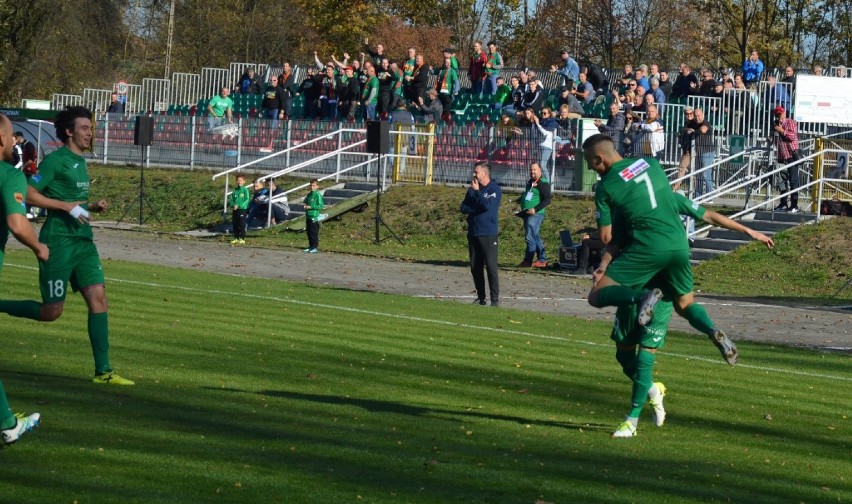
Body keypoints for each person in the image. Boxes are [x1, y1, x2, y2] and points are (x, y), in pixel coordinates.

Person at [581, 134, 774, 366]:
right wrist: (749, 232)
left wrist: (606, 245)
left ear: (598, 159)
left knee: (597, 296)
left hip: (645, 252)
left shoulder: (606, 188)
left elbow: (608, 238)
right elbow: (710, 215)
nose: (589, 166)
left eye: (588, 161)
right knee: (685, 305)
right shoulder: (653, 168)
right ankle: (712, 330)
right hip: (679, 249)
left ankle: (641, 299)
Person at [0, 106, 134, 384]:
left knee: (99, 299)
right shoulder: (57, 161)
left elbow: (72, 203)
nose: (90, 133)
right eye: (84, 128)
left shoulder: (80, 161)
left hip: (83, 242)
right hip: (58, 242)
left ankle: (104, 371)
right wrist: (65, 206)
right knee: (52, 312)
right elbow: (28, 193)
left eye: (90, 128)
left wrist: (90, 206)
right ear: (69, 131)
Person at [0, 114, 46, 444]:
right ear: (4, 141)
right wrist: (39, 247)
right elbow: (17, 225)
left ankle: (6, 422)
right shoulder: (8, 176)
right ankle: (7, 424)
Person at [460, 162, 501, 306]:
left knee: (491, 267)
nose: (474, 175)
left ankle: (494, 300)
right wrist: (476, 204)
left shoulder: (494, 189)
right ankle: (481, 297)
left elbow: (488, 206)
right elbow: (464, 207)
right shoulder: (472, 189)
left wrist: (477, 194)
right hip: (473, 233)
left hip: (488, 234)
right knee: (475, 267)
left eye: (476, 172)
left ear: (484, 173)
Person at [516, 162, 552, 268]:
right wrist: (520, 200)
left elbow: (547, 200)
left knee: (529, 237)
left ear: (540, 170)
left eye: (534, 170)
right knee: (535, 236)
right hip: (526, 213)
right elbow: (529, 195)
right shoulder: (530, 182)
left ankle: (528, 260)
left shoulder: (543, 183)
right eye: (531, 170)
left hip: (535, 214)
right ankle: (542, 260)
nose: (532, 172)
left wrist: (535, 209)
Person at [772, 106, 801, 213]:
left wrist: (782, 131)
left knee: (793, 181)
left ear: (784, 114)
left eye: (781, 115)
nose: (780, 117)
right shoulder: (775, 125)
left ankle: (794, 204)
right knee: (781, 181)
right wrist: (771, 137)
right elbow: (776, 142)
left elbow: (793, 136)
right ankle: (783, 202)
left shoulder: (791, 123)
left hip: (791, 156)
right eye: (777, 115)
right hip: (781, 156)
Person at [303, 179, 325, 253]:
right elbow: (305, 202)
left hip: (314, 217)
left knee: (313, 233)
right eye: (311, 185)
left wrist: (311, 207)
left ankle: (315, 247)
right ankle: (310, 246)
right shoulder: (309, 194)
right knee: (309, 232)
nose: (312, 187)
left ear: (317, 186)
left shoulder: (317, 195)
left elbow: (321, 206)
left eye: (313, 185)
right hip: (308, 216)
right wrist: (305, 205)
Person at [228, 174, 250, 244]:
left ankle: (242, 238)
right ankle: (236, 238)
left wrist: (240, 205)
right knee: (235, 223)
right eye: (238, 180)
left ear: (244, 181)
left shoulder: (245, 190)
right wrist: (233, 205)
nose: (239, 182)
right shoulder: (235, 190)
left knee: (241, 224)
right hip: (235, 209)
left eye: (241, 180)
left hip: (242, 209)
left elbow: (247, 199)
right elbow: (231, 199)